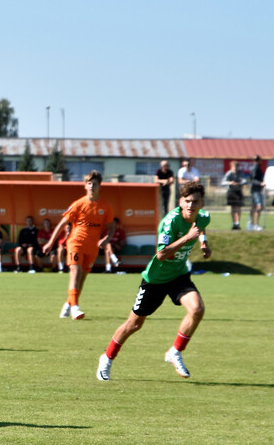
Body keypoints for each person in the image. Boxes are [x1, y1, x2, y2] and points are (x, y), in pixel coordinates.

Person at [96, 180, 211, 381]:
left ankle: (175, 352)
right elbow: (161, 254)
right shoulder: (170, 222)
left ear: (202, 203)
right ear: (181, 202)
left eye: (195, 201)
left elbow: (201, 227)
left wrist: (203, 243)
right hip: (155, 279)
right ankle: (106, 358)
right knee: (134, 324)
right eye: (187, 201)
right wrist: (187, 238)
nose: (191, 205)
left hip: (178, 275)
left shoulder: (203, 218)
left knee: (197, 310)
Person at [42, 170, 115, 320]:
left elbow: (112, 227)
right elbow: (63, 223)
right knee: (75, 273)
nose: (91, 186)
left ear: (99, 186)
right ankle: (75, 308)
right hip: (76, 243)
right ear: (85, 186)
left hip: (92, 247)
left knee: (82, 278)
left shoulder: (106, 206)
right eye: (89, 184)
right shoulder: (78, 204)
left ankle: (69, 304)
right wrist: (51, 242)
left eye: (94, 184)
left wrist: (106, 239)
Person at [222, 161, 246, 230]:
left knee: (238, 208)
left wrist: (239, 183)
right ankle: (234, 223)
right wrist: (230, 182)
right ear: (231, 167)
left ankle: (237, 223)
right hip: (231, 192)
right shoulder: (229, 173)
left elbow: (245, 181)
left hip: (238, 192)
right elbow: (223, 182)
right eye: (234, 167)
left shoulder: (240, 173)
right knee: (233, 208)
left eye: (236, 167)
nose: (235, 168)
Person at [249, 155, 266, 231]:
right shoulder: (256, 168)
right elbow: (253, 180)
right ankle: (255, 224)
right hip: (256, 190)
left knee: (254, 207)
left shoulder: (257, 168)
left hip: (257, 190)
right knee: (259, 207)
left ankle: (251, 224)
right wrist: (260, 183)